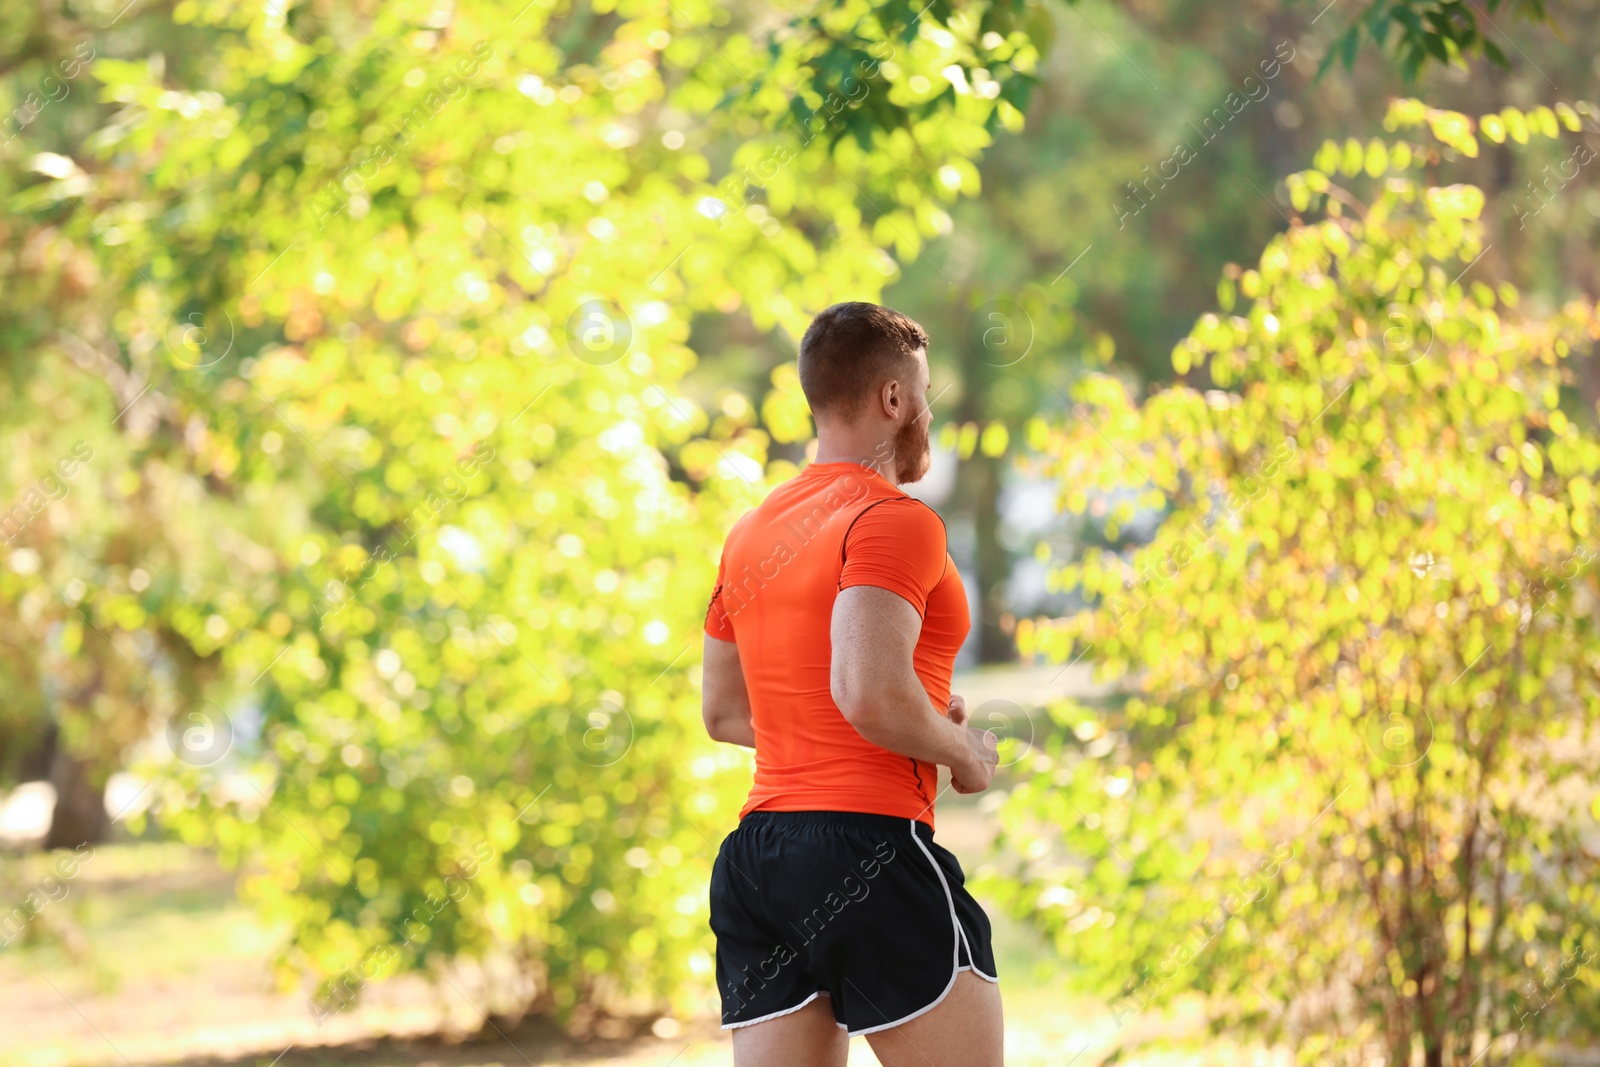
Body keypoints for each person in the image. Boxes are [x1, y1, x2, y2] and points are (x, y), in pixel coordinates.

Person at [701, 301, 1004, 1067]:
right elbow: (868, 693)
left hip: (760, 861)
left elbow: (725, 711)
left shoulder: (751, 532)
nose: (928, 413)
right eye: (924, 394)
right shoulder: (895, 519)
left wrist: (915, 717)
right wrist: (959, 748)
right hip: (871, 848)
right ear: (894, 399)